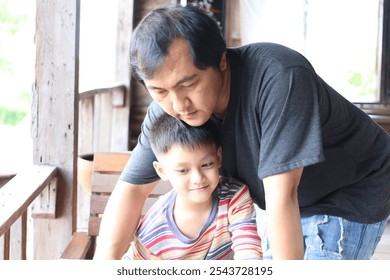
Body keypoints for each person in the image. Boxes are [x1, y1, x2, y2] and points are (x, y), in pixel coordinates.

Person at [94, 4, 390, 260]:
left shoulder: (279, 77)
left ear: (221, 61)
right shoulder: (169, 108)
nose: (178, 104)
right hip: (286, 200)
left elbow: (282, 197)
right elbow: (131, 190)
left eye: (188, 85)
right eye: (159, 91)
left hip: (349, 191)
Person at [121, 113, 262, 260]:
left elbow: (249, 252)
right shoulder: (152, 232)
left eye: (207, 164)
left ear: (218, 157)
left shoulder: (234, 196)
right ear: (162, 171)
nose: (198, 178)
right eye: (183, 170)